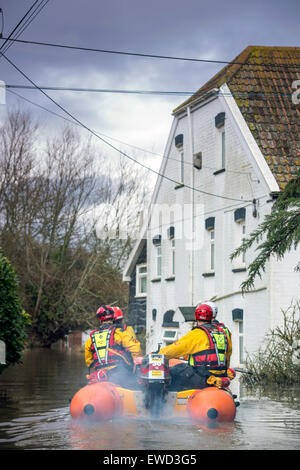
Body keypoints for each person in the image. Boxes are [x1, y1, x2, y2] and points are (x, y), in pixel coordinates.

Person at [158, 303, 232, 391]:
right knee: (180, 366)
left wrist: (158, 354)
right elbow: (226, 355)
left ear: (196, 317)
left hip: (201, 377)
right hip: (219, 376)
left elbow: (176, 348)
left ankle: (164, 402)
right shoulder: (223, 333)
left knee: (170, 373)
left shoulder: (197, 333)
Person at [85, 304, 141, 387]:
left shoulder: (91, 338)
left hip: (100, 374)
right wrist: (134, 365)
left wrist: (101, 368)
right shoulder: (120, 333)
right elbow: (136, 349)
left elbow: (89, 360)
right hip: (120, 372)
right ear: (113, 317)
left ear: (99, 319)